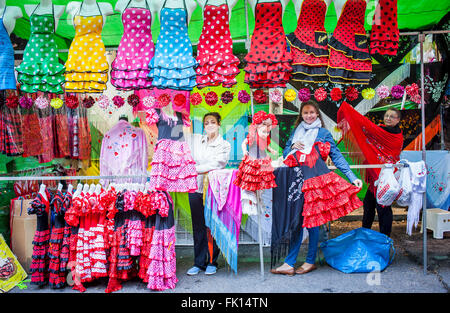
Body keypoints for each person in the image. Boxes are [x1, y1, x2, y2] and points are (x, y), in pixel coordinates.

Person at [271, 100, 363, 276]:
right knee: (297, 222)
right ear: (301, 115)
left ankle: (309, 261)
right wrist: (291, 146)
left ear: (317, 114)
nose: (309, 115)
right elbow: (285, 155)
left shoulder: (323, 133)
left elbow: (337, 157)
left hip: (317, 181)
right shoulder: (295, 132)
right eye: (305, 113)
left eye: (312, 112)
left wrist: (352, 177)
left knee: (314, 223)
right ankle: (290, 263)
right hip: (297, 182)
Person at [337, 102, 404, 237]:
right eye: (386, 116)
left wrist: (350, 111)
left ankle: (385, 238)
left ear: (398, 120)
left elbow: (366, 126)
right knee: (368, 205)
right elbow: (366, 130)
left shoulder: (396, 135)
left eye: (392, 116)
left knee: (383, 207)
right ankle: (365, 233)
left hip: (386, 177)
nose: (388, 118)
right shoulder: (380, 130)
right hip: (376, 177)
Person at [186, 112, 231, 275]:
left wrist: (194, 169)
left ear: (219, 124)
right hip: (195, 187)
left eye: (213, 122)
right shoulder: (198, 141)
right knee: (197, 225)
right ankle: (198, 262)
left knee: (211, 226)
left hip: (213, 188)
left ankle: (212, 261)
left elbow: (217, 163)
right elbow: (189, 157)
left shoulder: (224, 144)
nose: (209, 125)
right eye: (206, 123)